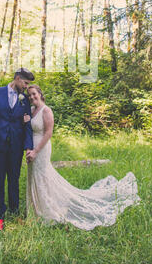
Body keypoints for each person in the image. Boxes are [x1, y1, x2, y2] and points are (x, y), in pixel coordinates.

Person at [25, 85, 141, 231]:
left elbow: (48, 133)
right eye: (29, 95)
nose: (31, 97)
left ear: (40, 94)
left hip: (41, 149)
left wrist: (35, 151)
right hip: (31, 149)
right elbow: (28, 131)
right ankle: (36, 210)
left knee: (43, 177)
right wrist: (28, 148)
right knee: (34, 177)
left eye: (34, 94)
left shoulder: (46, 110)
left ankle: (48, 211)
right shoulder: (31, 111)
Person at [0, 68, 35, 232]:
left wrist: (28, 147)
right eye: (25, 83)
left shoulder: (24, 100)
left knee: (14, 179)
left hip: (16, 147)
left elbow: (28, 126)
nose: (26, 87)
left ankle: (14, 211)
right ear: (17, 79)